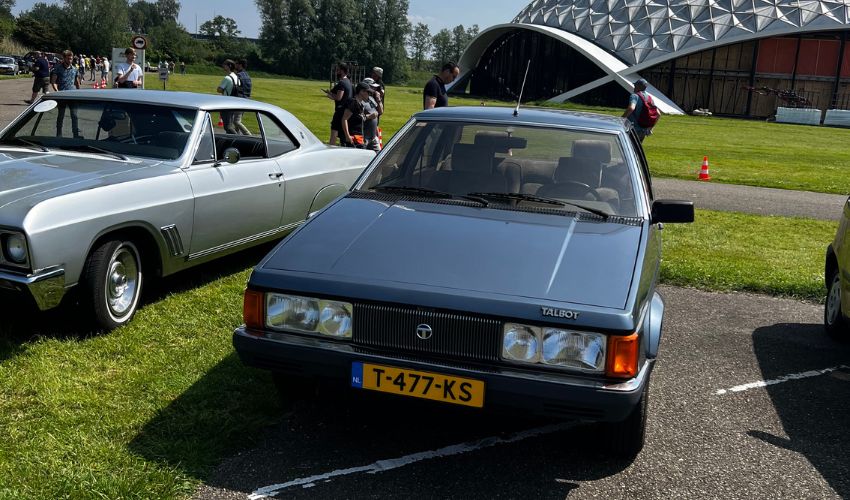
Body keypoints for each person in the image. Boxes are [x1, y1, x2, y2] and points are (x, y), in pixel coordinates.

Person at [50, 50, 81, 137]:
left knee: (74, 116)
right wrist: (57, 92)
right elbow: (53, 82)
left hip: (73, 96)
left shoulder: (75, 69)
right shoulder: (58, 69)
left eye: (71, 59)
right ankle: (59, 134)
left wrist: (80, 93)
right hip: (62, 96)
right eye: (68, 59)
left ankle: (75, 134)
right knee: (61, 116)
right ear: (64, 58)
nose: (70, 60)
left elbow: (77, 83)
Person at [325, 63, 353, 145]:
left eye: (338, 70)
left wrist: (330, 95)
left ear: (343, 71)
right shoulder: (348, 81)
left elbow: (339, 97)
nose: (336, 72)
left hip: (340, 111)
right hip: (346, 111)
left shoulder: (342, 83)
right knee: (343, 135)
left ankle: (330, 149)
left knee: (334, 132)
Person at [341, 82, 373, 149]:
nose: (369, 95)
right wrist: (347, 136)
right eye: (368, 92)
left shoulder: (360, 105)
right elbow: (344, 119)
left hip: (359, 138)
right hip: (352, 139)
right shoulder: (353, 102)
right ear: (361, 91)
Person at [216, 59, 240, 134]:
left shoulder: (227, 78)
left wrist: (222, 90)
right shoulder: (237, 77)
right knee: (230, 124)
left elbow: (219, 89)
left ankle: (237, 138)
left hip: (226, 103)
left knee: (227, 126)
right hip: (235, 102)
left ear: (229, 66)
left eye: (225, 64)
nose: (223, 66)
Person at [360, 78, 383, 152]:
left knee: (379, 157)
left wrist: (378, 100)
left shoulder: (371, 99)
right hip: (364, 137)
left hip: (373, 137)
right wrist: (369, 116)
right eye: (372, 87)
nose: (375, 89)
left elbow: (380, 112)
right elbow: (357, 117)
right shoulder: (359, 100)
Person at [232, 59, 253, 134]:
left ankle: (248, 135)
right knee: (237, 121)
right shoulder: (247, 75)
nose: (235, 65)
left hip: (240, 100)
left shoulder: (239, 75)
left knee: (236, 121)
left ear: (240, 65)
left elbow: (235, 88)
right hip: (246, 99)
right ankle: (236, 136)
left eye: (236, 63)